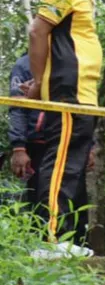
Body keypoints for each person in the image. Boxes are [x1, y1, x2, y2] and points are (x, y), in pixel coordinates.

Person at [24, 0, 105, 255]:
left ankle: (64, 240)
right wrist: (38, 82)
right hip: (67, 93)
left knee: (73, 167)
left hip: (83, 97)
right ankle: (50, 242)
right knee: (60, 163)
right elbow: (38, 29)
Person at [9, 53, 45, 209]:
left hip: (68, 140)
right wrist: (19, 148)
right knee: (39, 199)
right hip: (38, 142)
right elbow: (17, 107)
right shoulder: (24, 65)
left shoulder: (69, 61)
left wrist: (90, 144)